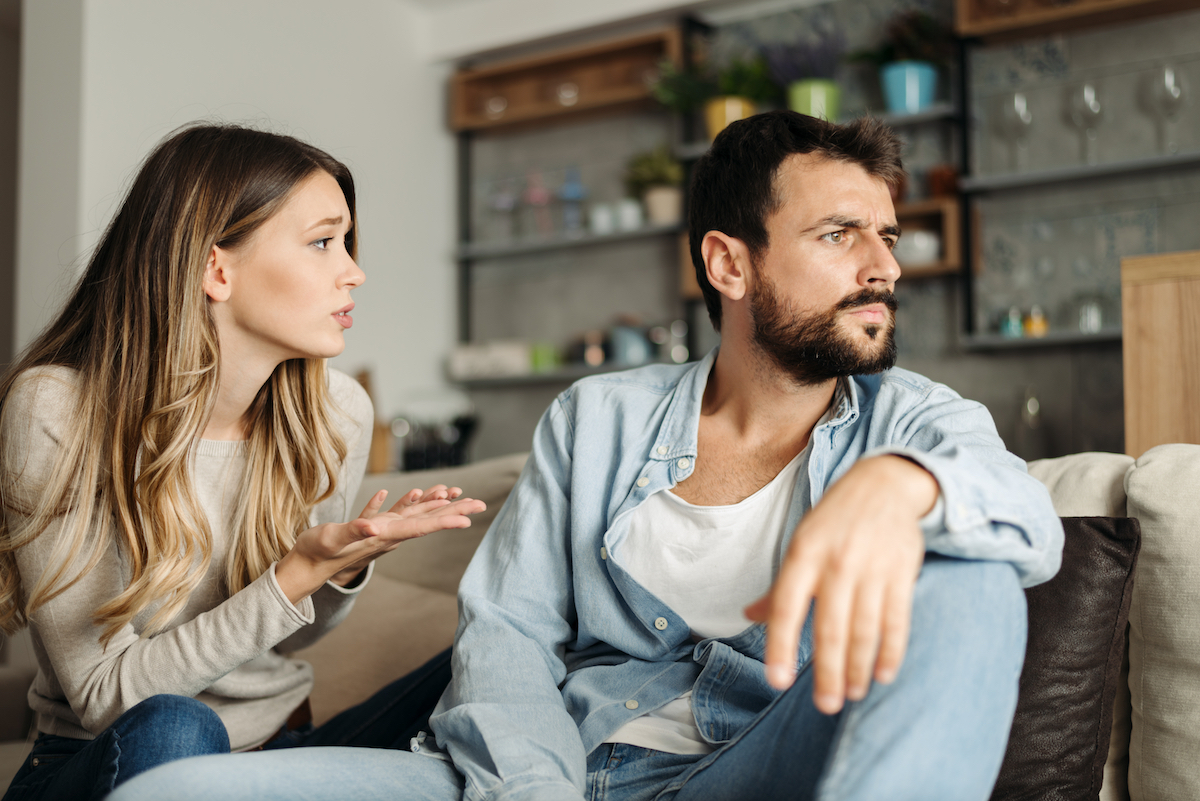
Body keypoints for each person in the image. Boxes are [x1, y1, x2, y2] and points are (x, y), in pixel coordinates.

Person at [109, 111, 1063, 801]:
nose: (884, 266)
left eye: (886, 237)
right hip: (558, 769)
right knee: (167, 791)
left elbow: (1026, 520)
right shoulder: (598, 419)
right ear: (729, 265)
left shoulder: (915, 421)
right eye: (839, 234)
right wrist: (531, 789)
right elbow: (508, 635)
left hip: (758, 764)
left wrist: (905, 483)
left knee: (974, 578)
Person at [0, 124, 486, 801]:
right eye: (322, 242)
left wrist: (336, 570)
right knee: (174, 725)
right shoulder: (58, 409)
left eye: (345, 241)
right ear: (216, 268)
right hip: (114, 755)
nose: (354, 270)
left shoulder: (334, 410)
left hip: (284, 749)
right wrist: (291, 577)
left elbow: (285, 644)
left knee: (495, 655)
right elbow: (102, 694)